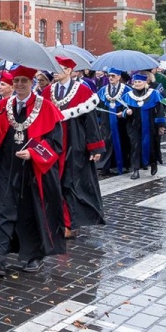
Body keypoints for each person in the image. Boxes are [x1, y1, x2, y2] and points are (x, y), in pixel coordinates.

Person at [0, 65, 65, 275]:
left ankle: (34, 256)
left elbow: (55, 143)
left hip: (33, 171)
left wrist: (34, 154)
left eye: (23, 81)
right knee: (0, 210)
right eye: (16, 81)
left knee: (31, 213)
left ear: (32, 82)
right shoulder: (2, 104)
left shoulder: (46, 107)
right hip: (6, 167)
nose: (18, 85)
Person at [43, 56, 104, 238]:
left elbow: (90, 121)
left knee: (72, 183)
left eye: (59, 68)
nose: (54, 71)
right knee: (54, 183)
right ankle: (54, 221)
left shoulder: (83, 91)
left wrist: (95, 147)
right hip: (53, 142)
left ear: (69, 70)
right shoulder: (47, 91)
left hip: (75, 143)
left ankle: (70, 223)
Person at [121, 73, 166, 179]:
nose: (137, 84)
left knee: (151, 145)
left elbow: (160, 110)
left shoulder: (154, 94)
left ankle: (153, 163)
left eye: (139, 82)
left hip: (151, 125)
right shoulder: (128, 95)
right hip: (134, 125)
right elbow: (122, 110)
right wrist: (126, 112)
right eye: (135, 82)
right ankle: (135, 169)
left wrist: (161, 126)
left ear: (146, 82)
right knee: (135, 146)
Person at [97, 68, 132, 176]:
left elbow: (131, 106)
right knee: (107, 141)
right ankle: (105, 166)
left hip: (121, 121)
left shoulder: (126, 90)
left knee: (122, 141)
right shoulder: (103, 90)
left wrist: (125, 112)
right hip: (106, 120)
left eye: (113, 76)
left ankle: (122, 164)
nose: (111, 78)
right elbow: (98, 105)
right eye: (109, 76)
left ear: (119, 77)